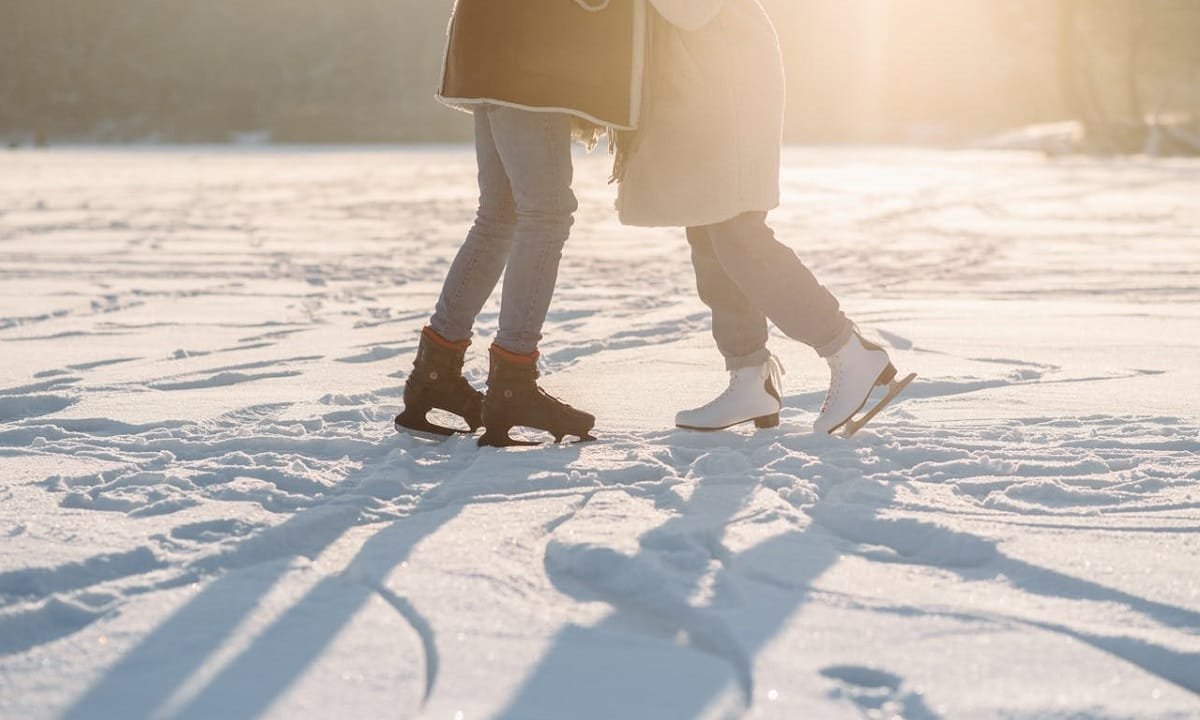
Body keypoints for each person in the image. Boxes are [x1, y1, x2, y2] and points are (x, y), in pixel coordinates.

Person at [616, 0, 914, 436]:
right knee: (707, 231)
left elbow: (689, 10)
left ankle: (848, 351)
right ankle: (748, 377)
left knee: (738, 235)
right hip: (698, 83)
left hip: (728, 82)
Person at [395, 0, 649, 447]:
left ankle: (436, 375)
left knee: (500, 215)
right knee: (545, 215)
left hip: (486, 48)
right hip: (531, 59)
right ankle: (513, 384)